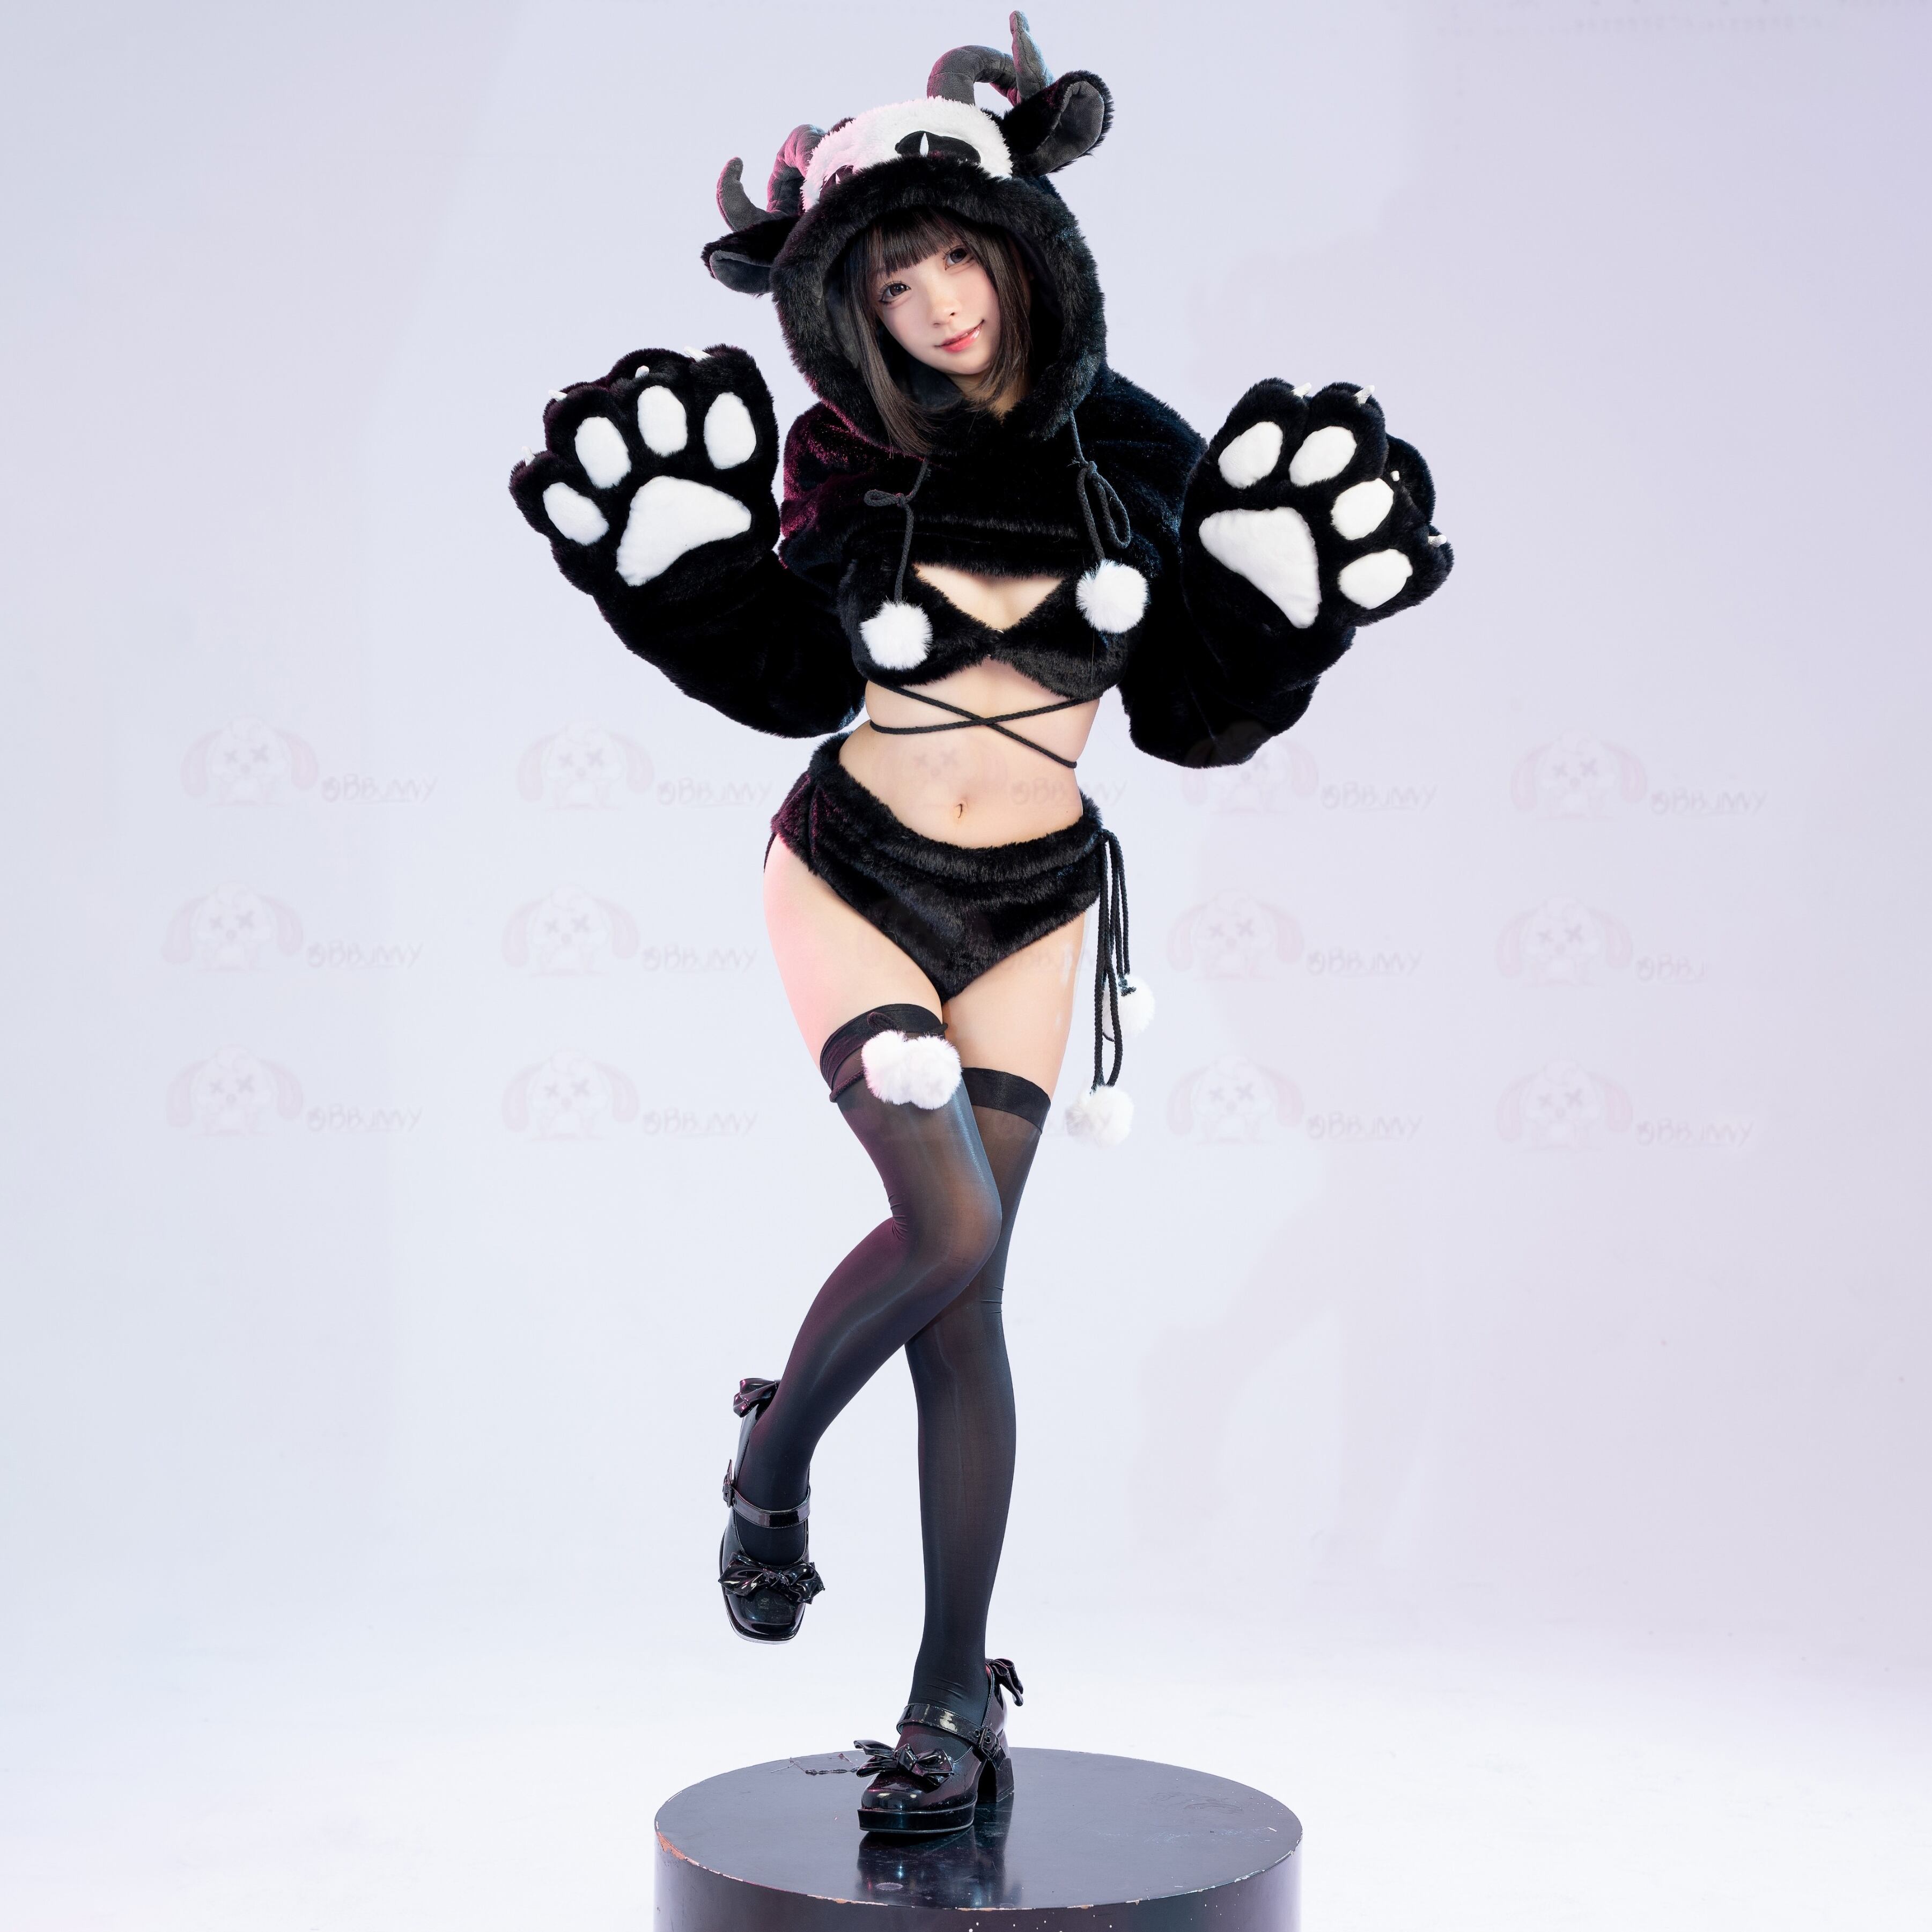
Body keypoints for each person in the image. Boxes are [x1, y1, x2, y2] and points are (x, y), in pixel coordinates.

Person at [510, 16, 1450, 1838]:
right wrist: (677, 578)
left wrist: (1279, 605)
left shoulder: (1137, 449)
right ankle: (774, 1463)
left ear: (1024, 252)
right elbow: (789, 673)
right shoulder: (844, 453)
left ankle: (952, 1694)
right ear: (844, 309)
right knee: (941, 1224)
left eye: (955, 256)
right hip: (854, 871)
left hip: (1034, 904)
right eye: (889, 279)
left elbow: (1191, 711)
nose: (934, 302)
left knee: (967, 1300)